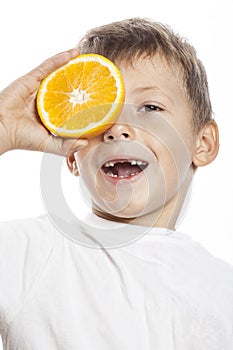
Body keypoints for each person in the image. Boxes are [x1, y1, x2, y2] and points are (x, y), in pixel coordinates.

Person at [0, 17, 233, 349]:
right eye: (100, 113)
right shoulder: (32, 253)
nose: (118, 129)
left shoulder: (224, 287)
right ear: (72, 156)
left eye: (150, 107)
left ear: (204, 143)